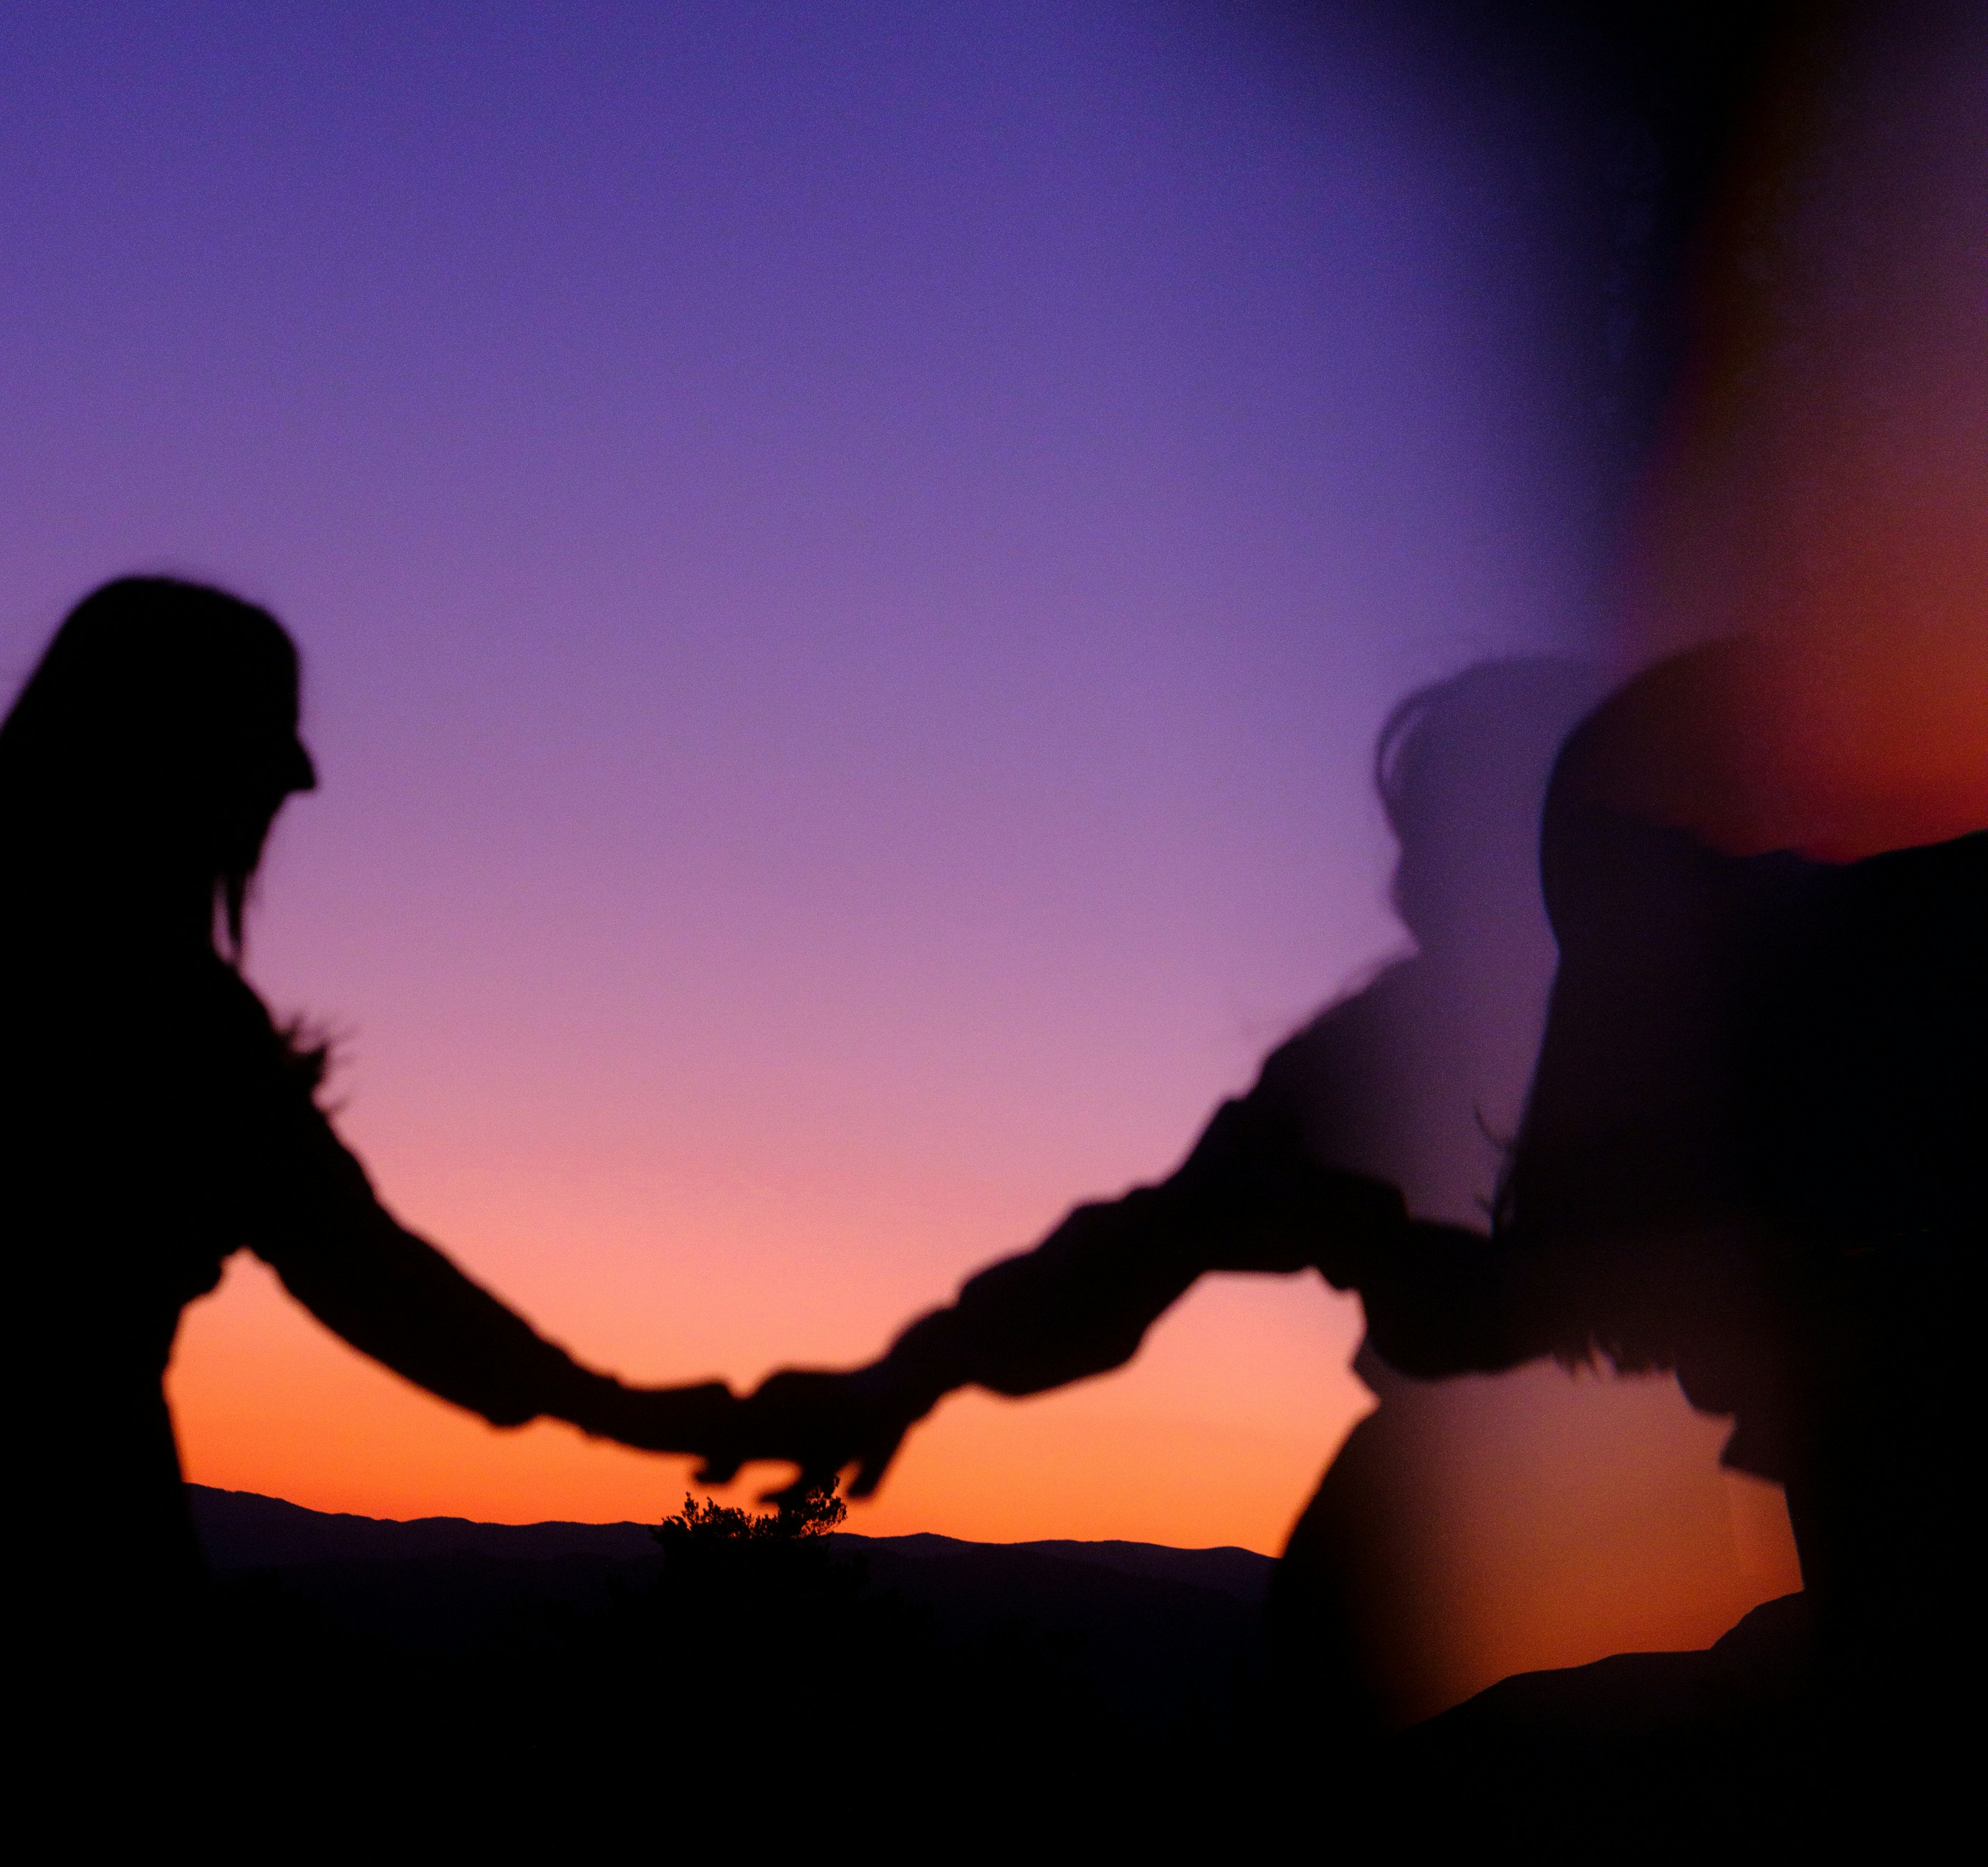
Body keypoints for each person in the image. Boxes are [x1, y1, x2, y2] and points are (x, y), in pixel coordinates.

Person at [739, 640, 1977, 1714]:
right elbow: (1144, 1244)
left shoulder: (1791, 1010)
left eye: (1434, 844)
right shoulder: (1379, 1053)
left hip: (1692, 1517)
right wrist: (906, 1377)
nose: (1399, 887)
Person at [0, 299, 746, 1703]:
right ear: (178, 753)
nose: (302, 778)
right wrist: (617, 1407)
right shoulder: (189, 1033)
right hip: (75, 1540)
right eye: (267, 737)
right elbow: (375, 1279)